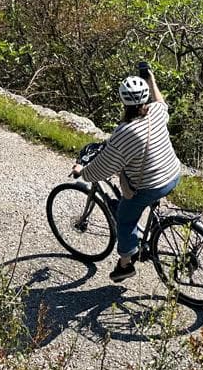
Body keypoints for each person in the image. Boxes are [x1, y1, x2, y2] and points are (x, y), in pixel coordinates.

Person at [72, 63, 181, 282]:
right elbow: (161, 102)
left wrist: (82, 170)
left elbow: (103, 167)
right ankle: (144, 239)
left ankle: (125, 265)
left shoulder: (124, 133)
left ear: (123, 101)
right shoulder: (157, 113)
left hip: (151, 185)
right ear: (145, 97)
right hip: (172, 173)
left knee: (124, 218)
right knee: (129, 204)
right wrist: (151, 78)